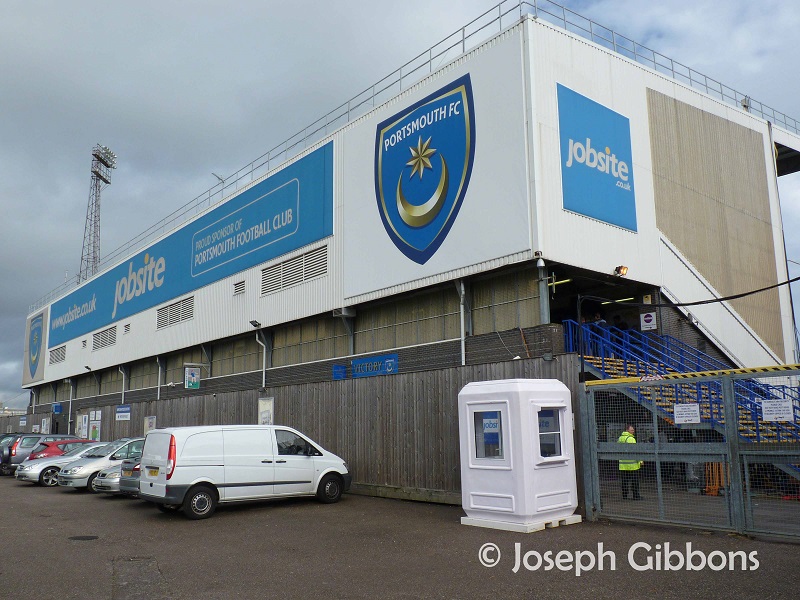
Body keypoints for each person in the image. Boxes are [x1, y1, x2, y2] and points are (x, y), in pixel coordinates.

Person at [618, 424, 643, 500]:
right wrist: (640, 460)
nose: (633, 431)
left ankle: (624, 495)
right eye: (632, 430)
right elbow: (635, 451)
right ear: (627, 430)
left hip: (623, 464)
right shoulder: (631, 439)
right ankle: (636, 496)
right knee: (635, 481)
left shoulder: (620, 438)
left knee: (624, 481)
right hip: (632, 465)